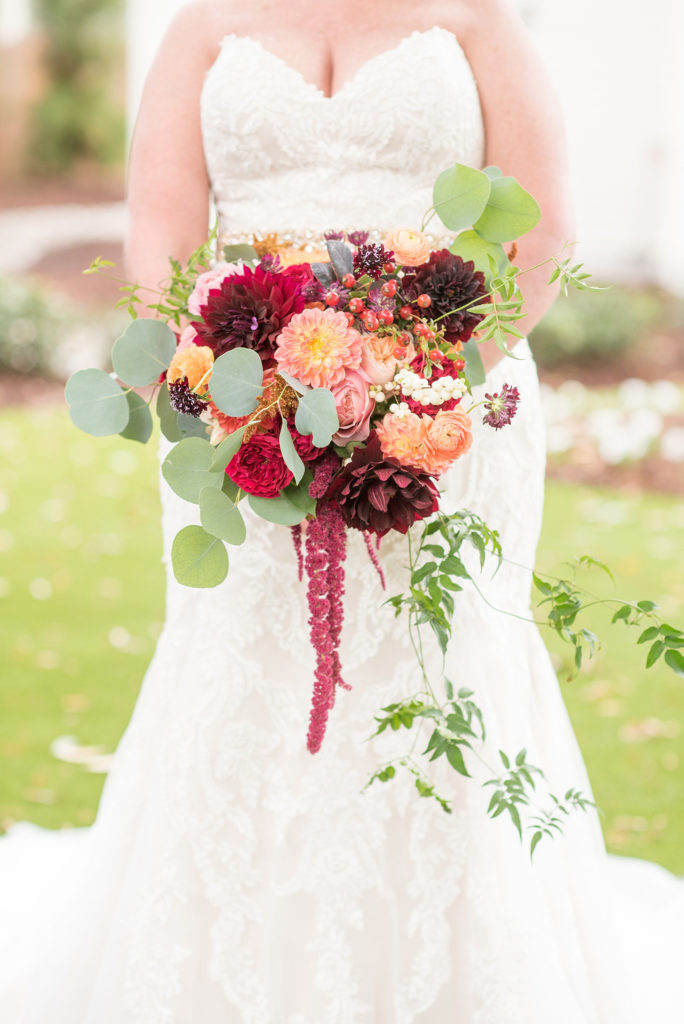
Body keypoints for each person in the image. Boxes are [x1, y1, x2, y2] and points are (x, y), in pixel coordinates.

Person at [1, 1, 682, 1021]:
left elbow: (542, 238)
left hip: (452, 417)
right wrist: (227, 388)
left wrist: (420, 388)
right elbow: (161, 235)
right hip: (242, 411)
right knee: (243, 673)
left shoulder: (476, 16)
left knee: (438, 662)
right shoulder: (205, 23)